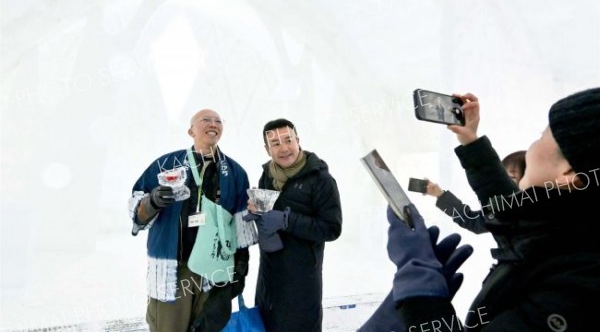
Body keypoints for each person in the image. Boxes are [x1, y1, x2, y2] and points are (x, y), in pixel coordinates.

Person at [361, 87, 600, 331]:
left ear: (568, 174)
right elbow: (510, 215)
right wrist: (469, 146)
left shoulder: (579, 285)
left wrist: (420, 291)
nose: (533, 146)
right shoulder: (566, 231)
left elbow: (482, 220)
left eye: (542, 136)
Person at [128, 109, 257, 332]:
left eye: (218, 121)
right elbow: (137, 207)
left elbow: (241, 228)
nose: (213, 124)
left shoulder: (235, 172)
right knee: (168, 327)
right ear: (191, 130)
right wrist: (152, 201)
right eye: (205, 119)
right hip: (175, 269)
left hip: (214, 270)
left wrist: (241, 268)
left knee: (208, 326)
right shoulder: (166, 164)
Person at [245, 118, 343, 332]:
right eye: (276, 144)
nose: (284, 148)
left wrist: (287, 220)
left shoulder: (321, 180)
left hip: (301, 279)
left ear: (298, 140)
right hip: (269, 275)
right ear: (267, 149)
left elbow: (331, 228)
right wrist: (258, 216)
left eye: (288, 140)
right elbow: (269, 214)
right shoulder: (267, 176)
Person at [423, 150, 526, 234]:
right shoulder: (503, 209)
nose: (504, 183)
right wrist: (440, 195)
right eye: (503, 177)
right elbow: (473, 221)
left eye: (512, 177)